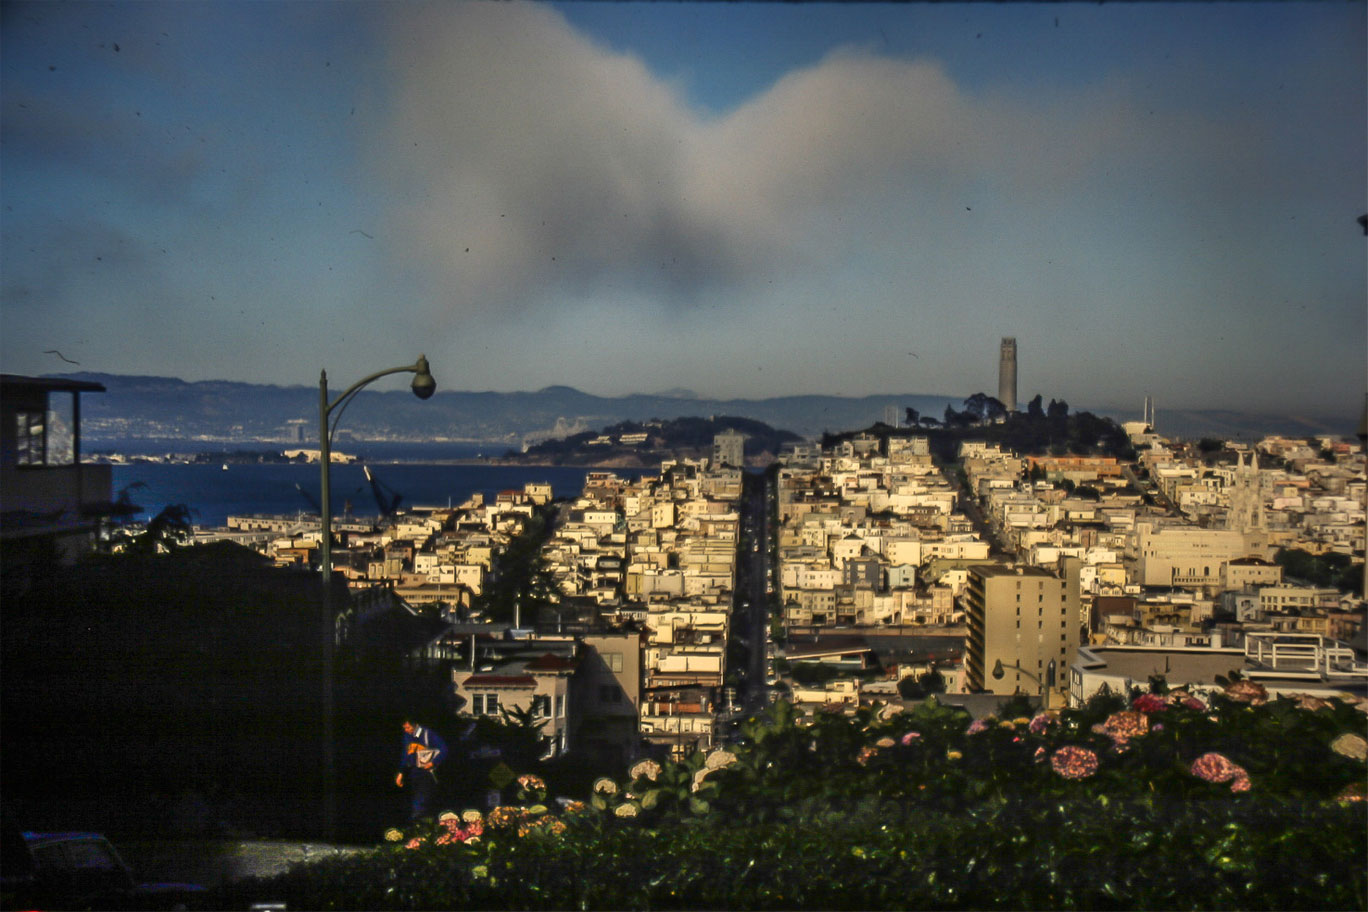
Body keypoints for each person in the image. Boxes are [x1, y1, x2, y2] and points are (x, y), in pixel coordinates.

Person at [396, 717, 447, 821]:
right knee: (414, 799)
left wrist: (433, 762)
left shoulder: (428, 734)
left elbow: (444, 749)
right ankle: (418, 824)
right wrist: (401, 772)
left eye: (408, 727)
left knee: (422, 801)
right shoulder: (407, 736)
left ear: (415, 725)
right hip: (413, 771)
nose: (406, 730)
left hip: (427, 772)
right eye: (404, 728)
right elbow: (406, 754)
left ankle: (421, 823)